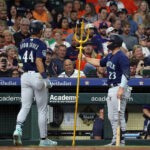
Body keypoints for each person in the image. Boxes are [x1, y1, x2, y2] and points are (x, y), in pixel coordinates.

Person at [13, 20, 57, 147]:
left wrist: (25, 71)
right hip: (37, 76)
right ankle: (43, 139)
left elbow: (20, 62)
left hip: (25, 75)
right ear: (39, 31)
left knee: (25, 106)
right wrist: (44, 78)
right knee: (42, 110)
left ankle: (17, 129)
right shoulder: (41, 43)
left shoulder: (22, 43)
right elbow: (38, 61)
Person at [82, 34, 131, 146]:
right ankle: (115, 140)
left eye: (110, 42)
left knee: (118, 115)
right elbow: (99, 63)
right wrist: (86, 59)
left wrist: (121, 88)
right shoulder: (110, 56)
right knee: (111, 116)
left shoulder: (121, 56)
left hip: (119, 86)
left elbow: (126, 74)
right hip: (111, 87)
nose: (108, 43)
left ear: (115, 43)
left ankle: (121, 141)